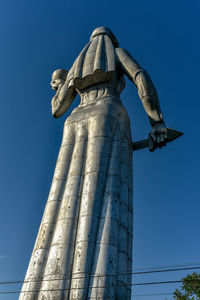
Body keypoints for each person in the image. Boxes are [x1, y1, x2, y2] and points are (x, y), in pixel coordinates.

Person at [19, 26, 167, 300]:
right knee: (105, 193)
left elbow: (56, 110)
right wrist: (157, 121)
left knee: (64, 197)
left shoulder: (77, 67)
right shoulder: (118, 52)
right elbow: (141, 78)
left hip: (74, 121)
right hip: (108, 112)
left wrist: (63, 84)